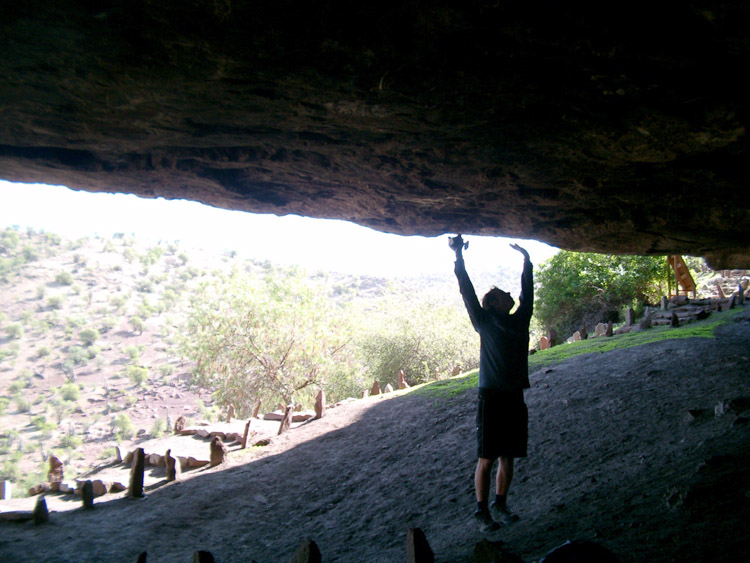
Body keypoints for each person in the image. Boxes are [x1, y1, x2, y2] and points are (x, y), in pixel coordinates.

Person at [450, 234, 533, 535]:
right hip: (491, 397)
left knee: (508, 456)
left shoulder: (521, 319)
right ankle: (481, 510)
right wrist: (458, 257)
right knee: (486, 458)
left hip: (514, 397)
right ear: (493, 303)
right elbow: (467, 291)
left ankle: (501, 504)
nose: (509, 293)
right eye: (501, 293)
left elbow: (528, 292)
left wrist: (527, 262)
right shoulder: (483, 321)